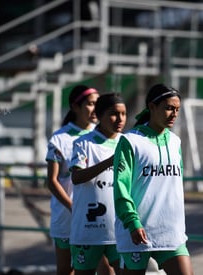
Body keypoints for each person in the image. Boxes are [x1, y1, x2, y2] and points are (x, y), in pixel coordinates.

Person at [113, 84, 194, 275]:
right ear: (152, 107)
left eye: (177, 109)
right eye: (168, 108)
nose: (174, 114)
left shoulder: (176, 142)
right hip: (137, 231)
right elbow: (120, 187)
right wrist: (132, 222)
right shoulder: (130, 141)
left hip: (170, 232)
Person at [46, 85, 112, 275]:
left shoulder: (103, 136)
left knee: (107, 271)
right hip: (67, 219)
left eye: (98, 104)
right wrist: (73, 207)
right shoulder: (60, 138)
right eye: (90, 104)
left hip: (95, 219)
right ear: (75, 107)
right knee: (67, 271)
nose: (95, 109)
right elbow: (52, 181)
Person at [69, 93, 127, 275]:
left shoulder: (128, 144)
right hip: (89, 230)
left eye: (124, 114)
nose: (120, 119)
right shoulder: (83, 143)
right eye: (114, 114)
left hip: (120, 231)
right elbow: (76, 177)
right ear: (99, 115)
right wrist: (109, 162)